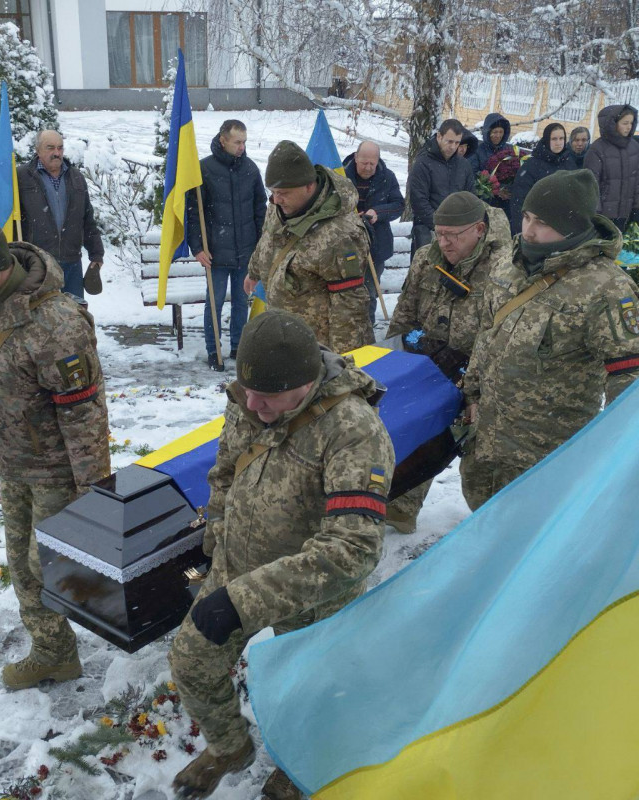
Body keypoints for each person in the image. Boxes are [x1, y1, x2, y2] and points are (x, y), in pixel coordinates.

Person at [169, 310, 395, 800]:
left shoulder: (354, 430)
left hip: (314, 597)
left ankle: (300, 766)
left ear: (307, 382)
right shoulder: (251, 400)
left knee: (310, 694)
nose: (251, 405)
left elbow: (352, 548)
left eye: (266, 398)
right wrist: (220, 536)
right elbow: (225, 470)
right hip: (236, 568)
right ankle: (230, 747)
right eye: (246, 391)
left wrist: (242, 601)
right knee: (191, 661)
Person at [0, 214, 111, 690]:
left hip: (56, 469)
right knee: (22, 566)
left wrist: (94, 492)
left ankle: (121, 600)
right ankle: (53, 653)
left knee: (46, 564)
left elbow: (85, 413)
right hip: (13, 462)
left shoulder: (56, 323)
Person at [461, 170, 639, 511]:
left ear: (572, 227)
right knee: (483, 529)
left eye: (542, 222)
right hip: (487, 447)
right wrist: (471, 393)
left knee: (529, 549)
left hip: (548, 460)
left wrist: (617, 461)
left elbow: (628, 384)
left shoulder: (606, 288)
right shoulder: (508, 265)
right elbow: (485, 336)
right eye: (526, 217)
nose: (528, 230)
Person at [384, 192, 511, 532]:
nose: (444, 242)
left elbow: (501, 335)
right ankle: (401, 507)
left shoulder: (504, 270)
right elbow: (404, 316)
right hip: (426, 366)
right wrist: (413, 347)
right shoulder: (427, 258)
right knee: (416, 437)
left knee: (476, 458)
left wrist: (473, 386)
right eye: (439, 233)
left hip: (479, 372)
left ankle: (496, 530)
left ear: (480, 230)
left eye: (453, 235)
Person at [244, 141, 372, 352]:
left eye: (283, 192)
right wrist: (254, 271)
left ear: (309, 186)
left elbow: (349, 308)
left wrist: (343, 367)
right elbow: (269, 238)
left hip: (317, 349)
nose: (276, 199)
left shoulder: (340, 234)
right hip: (284, 338)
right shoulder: (278, 205)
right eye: (273, 191)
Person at [185, 119, 266, 369]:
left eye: (244, 142)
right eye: (237, 142)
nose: (242, 147)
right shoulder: (204, 169)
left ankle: (239, 348)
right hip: (216, 253)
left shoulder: (251, 169)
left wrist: (261, 246)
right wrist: (197, 247)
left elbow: (260, 210)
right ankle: (214, 350)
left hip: (245, 252)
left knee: (242, 302)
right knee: (215, 302)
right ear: (223, 140)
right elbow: (193, 213)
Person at [17, 130, 104, 300]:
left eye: (60, 148)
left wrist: (96, 254)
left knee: (74, 318)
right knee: (41, 320)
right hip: (37, 266)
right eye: (50, 148)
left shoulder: (76, 177)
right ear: (38, 150)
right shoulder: (22, 177)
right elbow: (12, 221)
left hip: (71, 264)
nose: (56, 153)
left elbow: (87, 219)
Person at [342, 140, 405, 329]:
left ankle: (367, 331)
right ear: (356, 157)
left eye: (372, 163)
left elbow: (399, 205)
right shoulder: (341, 175)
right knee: (345, 293)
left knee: (369, 292)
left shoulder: (387, 177)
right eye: (364, 163)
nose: (368, 167)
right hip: (346, 245)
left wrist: (378, 212)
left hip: (375, 246)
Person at [406, 119, 475, 256]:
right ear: (439, 137)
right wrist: (442, 227)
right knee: (425, 274)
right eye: (449, 141)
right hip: (427, 229)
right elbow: (419, 202)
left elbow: (470, 198)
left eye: (457, 142)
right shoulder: (423, 163)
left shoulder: (464, 165)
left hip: (457, 231)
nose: (453, 147)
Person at [509, 123, 574, 235]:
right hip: (535, 227)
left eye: (561, 138)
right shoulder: (532, 166)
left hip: (561, 229)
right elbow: (519, 201)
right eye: (554, 139)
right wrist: (522, 231)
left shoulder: (570, 164)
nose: (558, 143)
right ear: (546, 140)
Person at [584, 104, 639, 232]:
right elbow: (591, 185)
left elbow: (637, 181)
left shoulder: (634, 147)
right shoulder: (597, 149)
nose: (629, 127)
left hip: (627, 215)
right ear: (612, 123)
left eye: (631, 123)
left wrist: (637, 208)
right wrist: (596, 215)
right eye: (625, 123)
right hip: (604, 217)